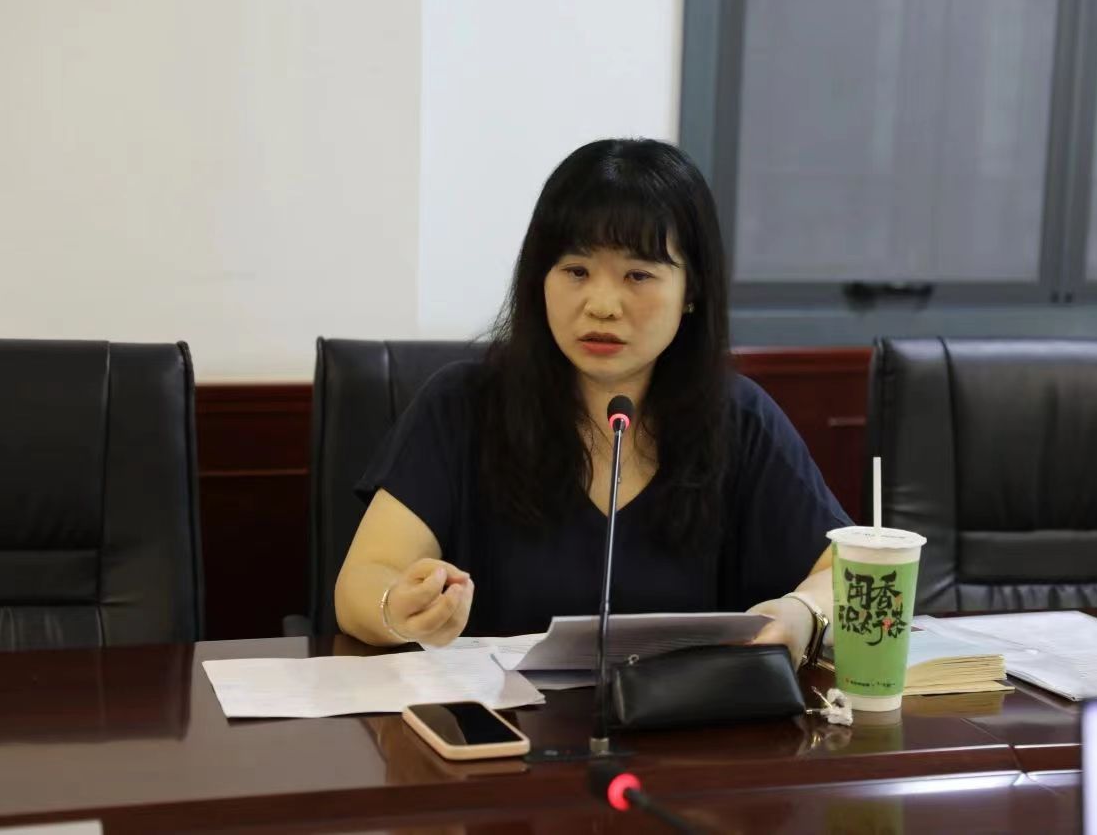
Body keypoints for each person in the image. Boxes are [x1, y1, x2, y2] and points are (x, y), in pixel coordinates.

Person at [334, 138, 850, 667]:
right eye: (576, 271)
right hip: (499, 715)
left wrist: (803, 612)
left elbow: (850, 573)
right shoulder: (462, 406)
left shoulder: (738, 418)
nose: (601, 305)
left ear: (692, 291)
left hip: (681, 717)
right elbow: (362, 582)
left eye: (638, 275)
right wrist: (397, 607)